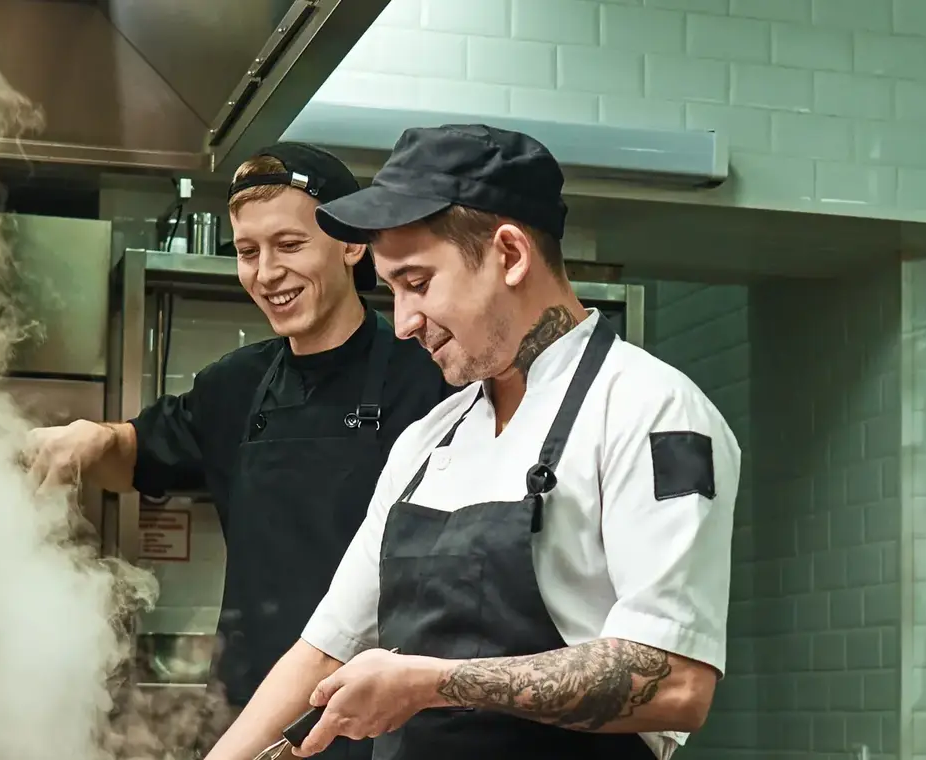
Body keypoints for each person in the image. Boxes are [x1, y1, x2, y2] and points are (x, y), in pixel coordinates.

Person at [201, 125, 739, 760]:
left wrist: (434, 683)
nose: (401, 323)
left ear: (509, 255)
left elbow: (675, 681)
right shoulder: (428, 441)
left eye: (419, 283)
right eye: (393, 289)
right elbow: (323, 651)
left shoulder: (648, 409)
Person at [26, 143, 457, 758]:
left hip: (381, 724)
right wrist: (96, 438)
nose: (266, 273)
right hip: (247, 711)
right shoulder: (234, 386)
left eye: (289, 245)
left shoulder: (429, 380)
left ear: (352, 244)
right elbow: (141, 452)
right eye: (248, 252)